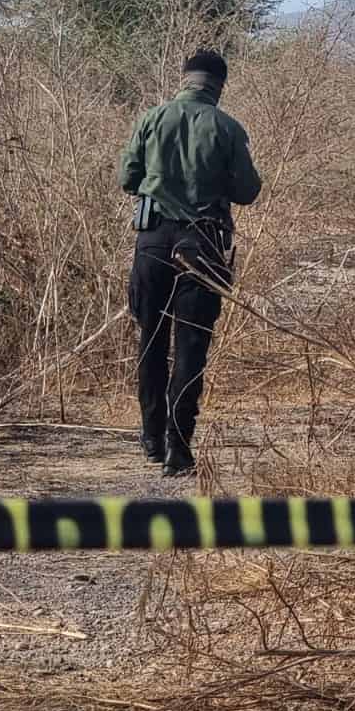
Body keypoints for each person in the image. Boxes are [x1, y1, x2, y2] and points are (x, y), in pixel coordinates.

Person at [118, 49, 262, 476]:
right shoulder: (229, 128)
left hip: (153, 242)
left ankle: (150, 437)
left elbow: (128, 179)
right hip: (205, 243)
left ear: (184, 79)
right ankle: (179, 448)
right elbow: (248, 192)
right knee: (191, 347)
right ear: (220, 84)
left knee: (151, 338)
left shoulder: (151, 118)